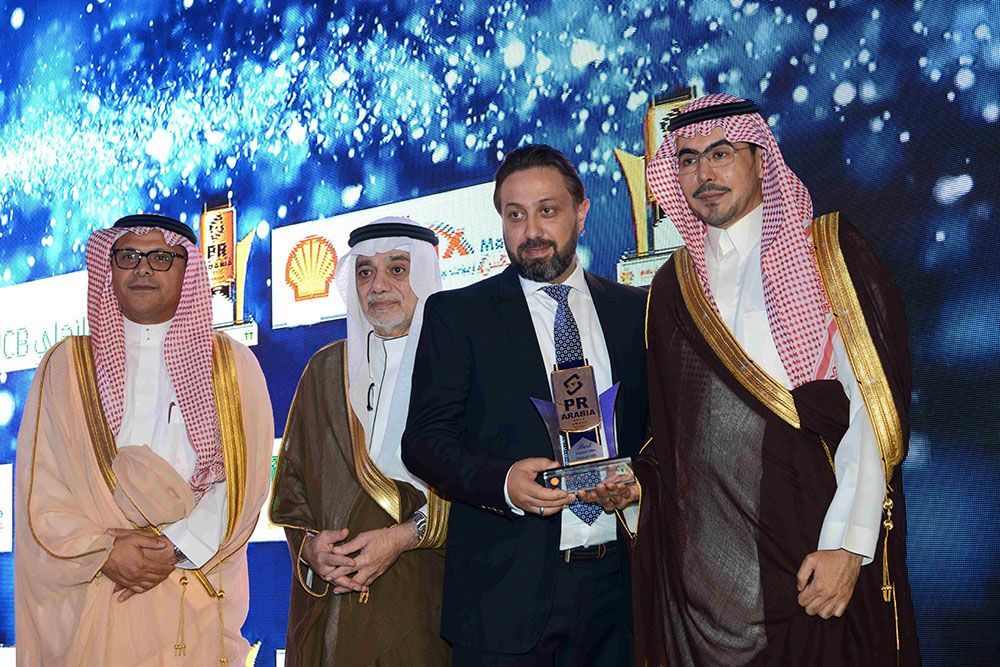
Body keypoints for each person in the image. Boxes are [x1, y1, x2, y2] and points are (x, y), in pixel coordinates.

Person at [591, 93, 920, 664]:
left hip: (813, 548)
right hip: (712, 579)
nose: (703, 173)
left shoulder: (827, 252)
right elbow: (676, 434)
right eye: (687, 160)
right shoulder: (673, 287)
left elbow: (870, 415)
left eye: (720, 152)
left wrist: (847, 542)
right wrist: (639, 486)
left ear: (760, 158)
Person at [402, 144, 649, 665]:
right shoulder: (459, 315)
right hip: (503, 599)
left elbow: (662, 435)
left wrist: (640, 483)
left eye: (547, 210)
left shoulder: (635, 313)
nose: (531, 230)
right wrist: (504, 482)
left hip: (621, 592)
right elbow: (424, 442)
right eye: (515, 215)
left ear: (582, 212)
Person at [14, 213, 273, 664]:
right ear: (108, 265)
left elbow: (243, 485)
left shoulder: (231, 366)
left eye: (160, 257)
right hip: (95, 588)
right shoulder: (67, 366)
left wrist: (170, 549)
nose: (142, 268)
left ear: (187, 269)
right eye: (128, 255)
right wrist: (105, 553)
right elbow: (43, 488)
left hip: (188, 586)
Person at [270, 217, 451, 665]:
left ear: (426, 274)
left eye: (398, 269)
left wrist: (404, 536)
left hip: (428, 592)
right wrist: (313, 548)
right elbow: (292, 485)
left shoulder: (459, 362)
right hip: (338, 603)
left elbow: (486, 483)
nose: (378, 286)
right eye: (365, 271)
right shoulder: (326, 369)